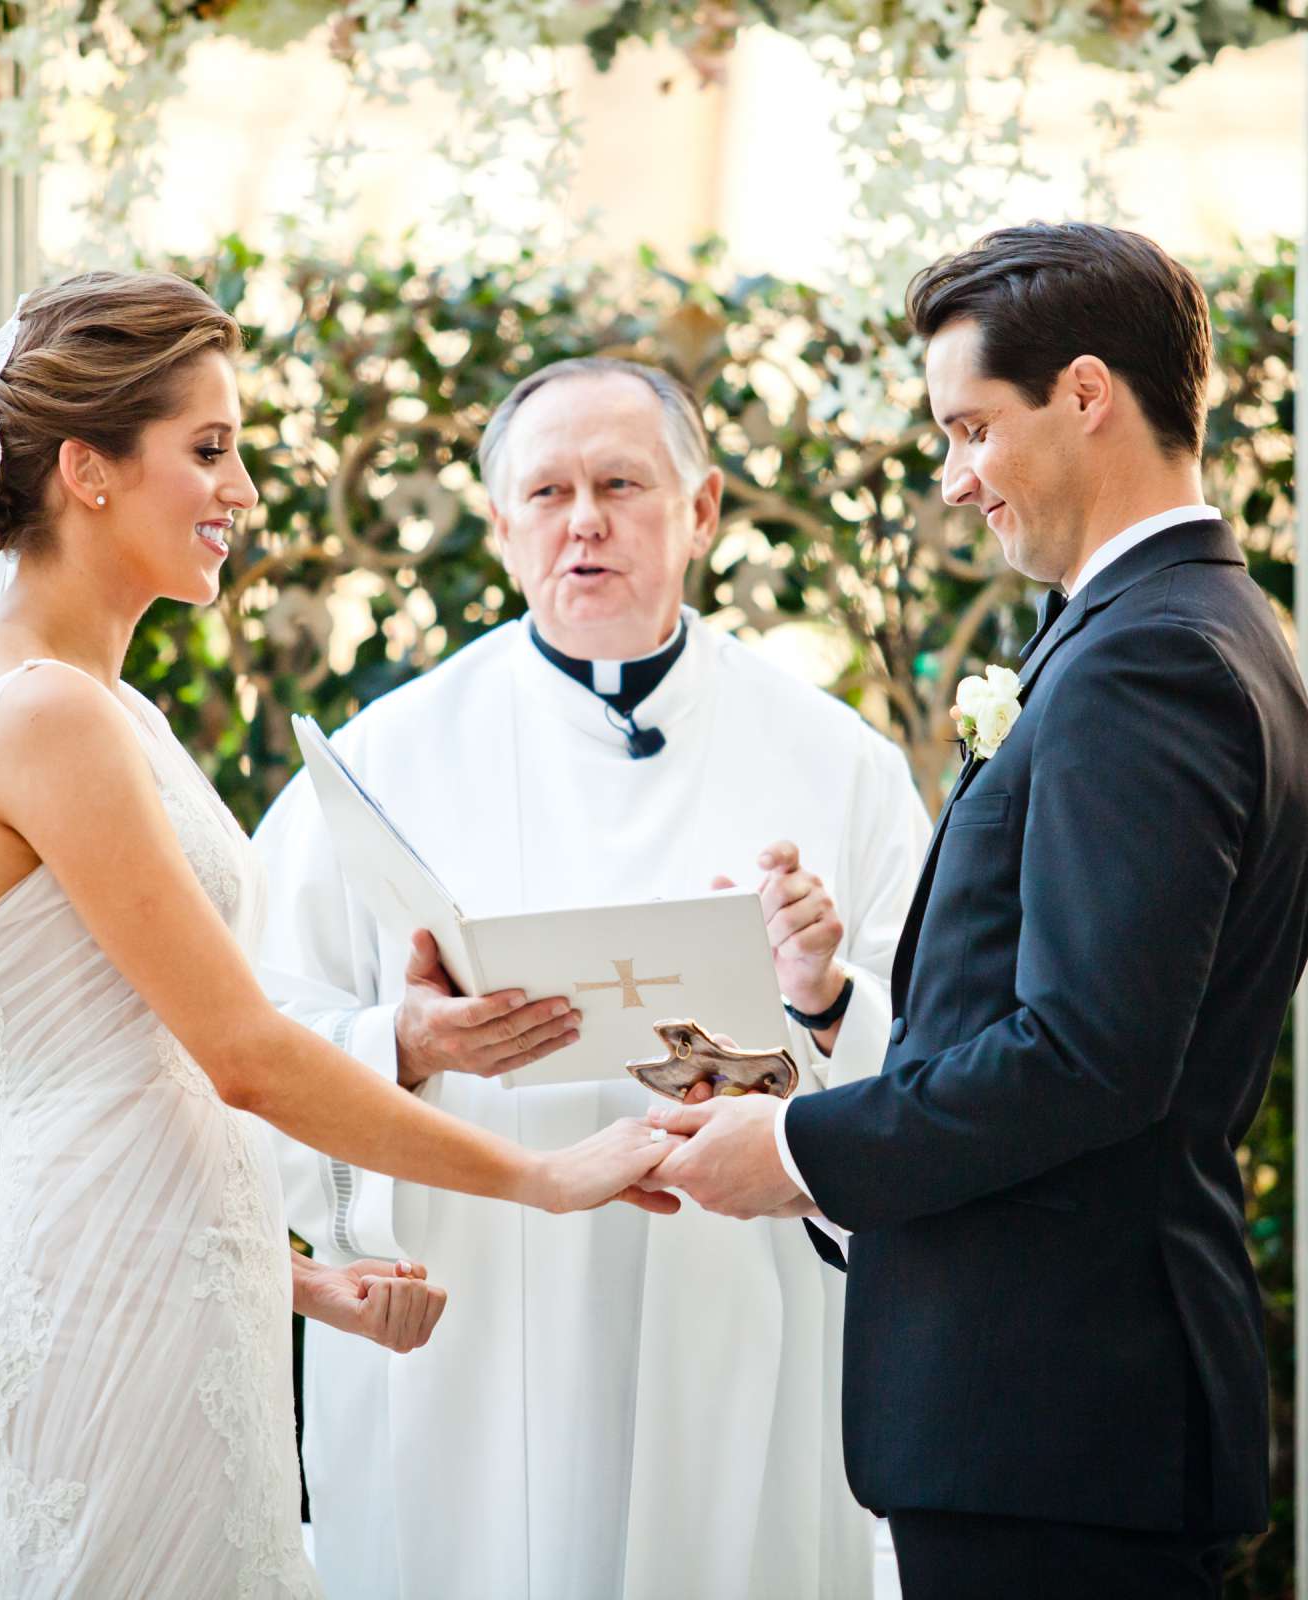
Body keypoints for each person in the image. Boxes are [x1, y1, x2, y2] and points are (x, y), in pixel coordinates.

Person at [0, 273, 679, 1600]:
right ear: (87, 472)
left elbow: (114, 1082)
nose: (245, 492)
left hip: (171, 1291)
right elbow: (242, 1058)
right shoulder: (49, 717)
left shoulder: (92, 706)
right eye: (210, 450)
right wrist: (543, 1178)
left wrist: (295, 1282)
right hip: (118, 1313)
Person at [650, 223, 1308, 1598]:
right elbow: (1070, 1008)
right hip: (1061, 1419)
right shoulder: (1175, 626)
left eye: (969, 429)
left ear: (1086, 395)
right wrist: (837, 1009)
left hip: (1064, 1419)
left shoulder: (1150, 661)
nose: (955, 482)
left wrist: (795, 1145)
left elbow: (1091, 1056)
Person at [254, 357, 931, 1599]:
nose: (586, 521)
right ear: (502, 523)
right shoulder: (380, 762)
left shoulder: (839, 762)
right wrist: (402, 1043)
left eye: (623, 483)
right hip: (478, 1322)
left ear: (704, 507)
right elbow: (255, 1033)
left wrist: (823, 994)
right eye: (549, 491)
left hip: (736, 1300)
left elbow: (934, 1062)